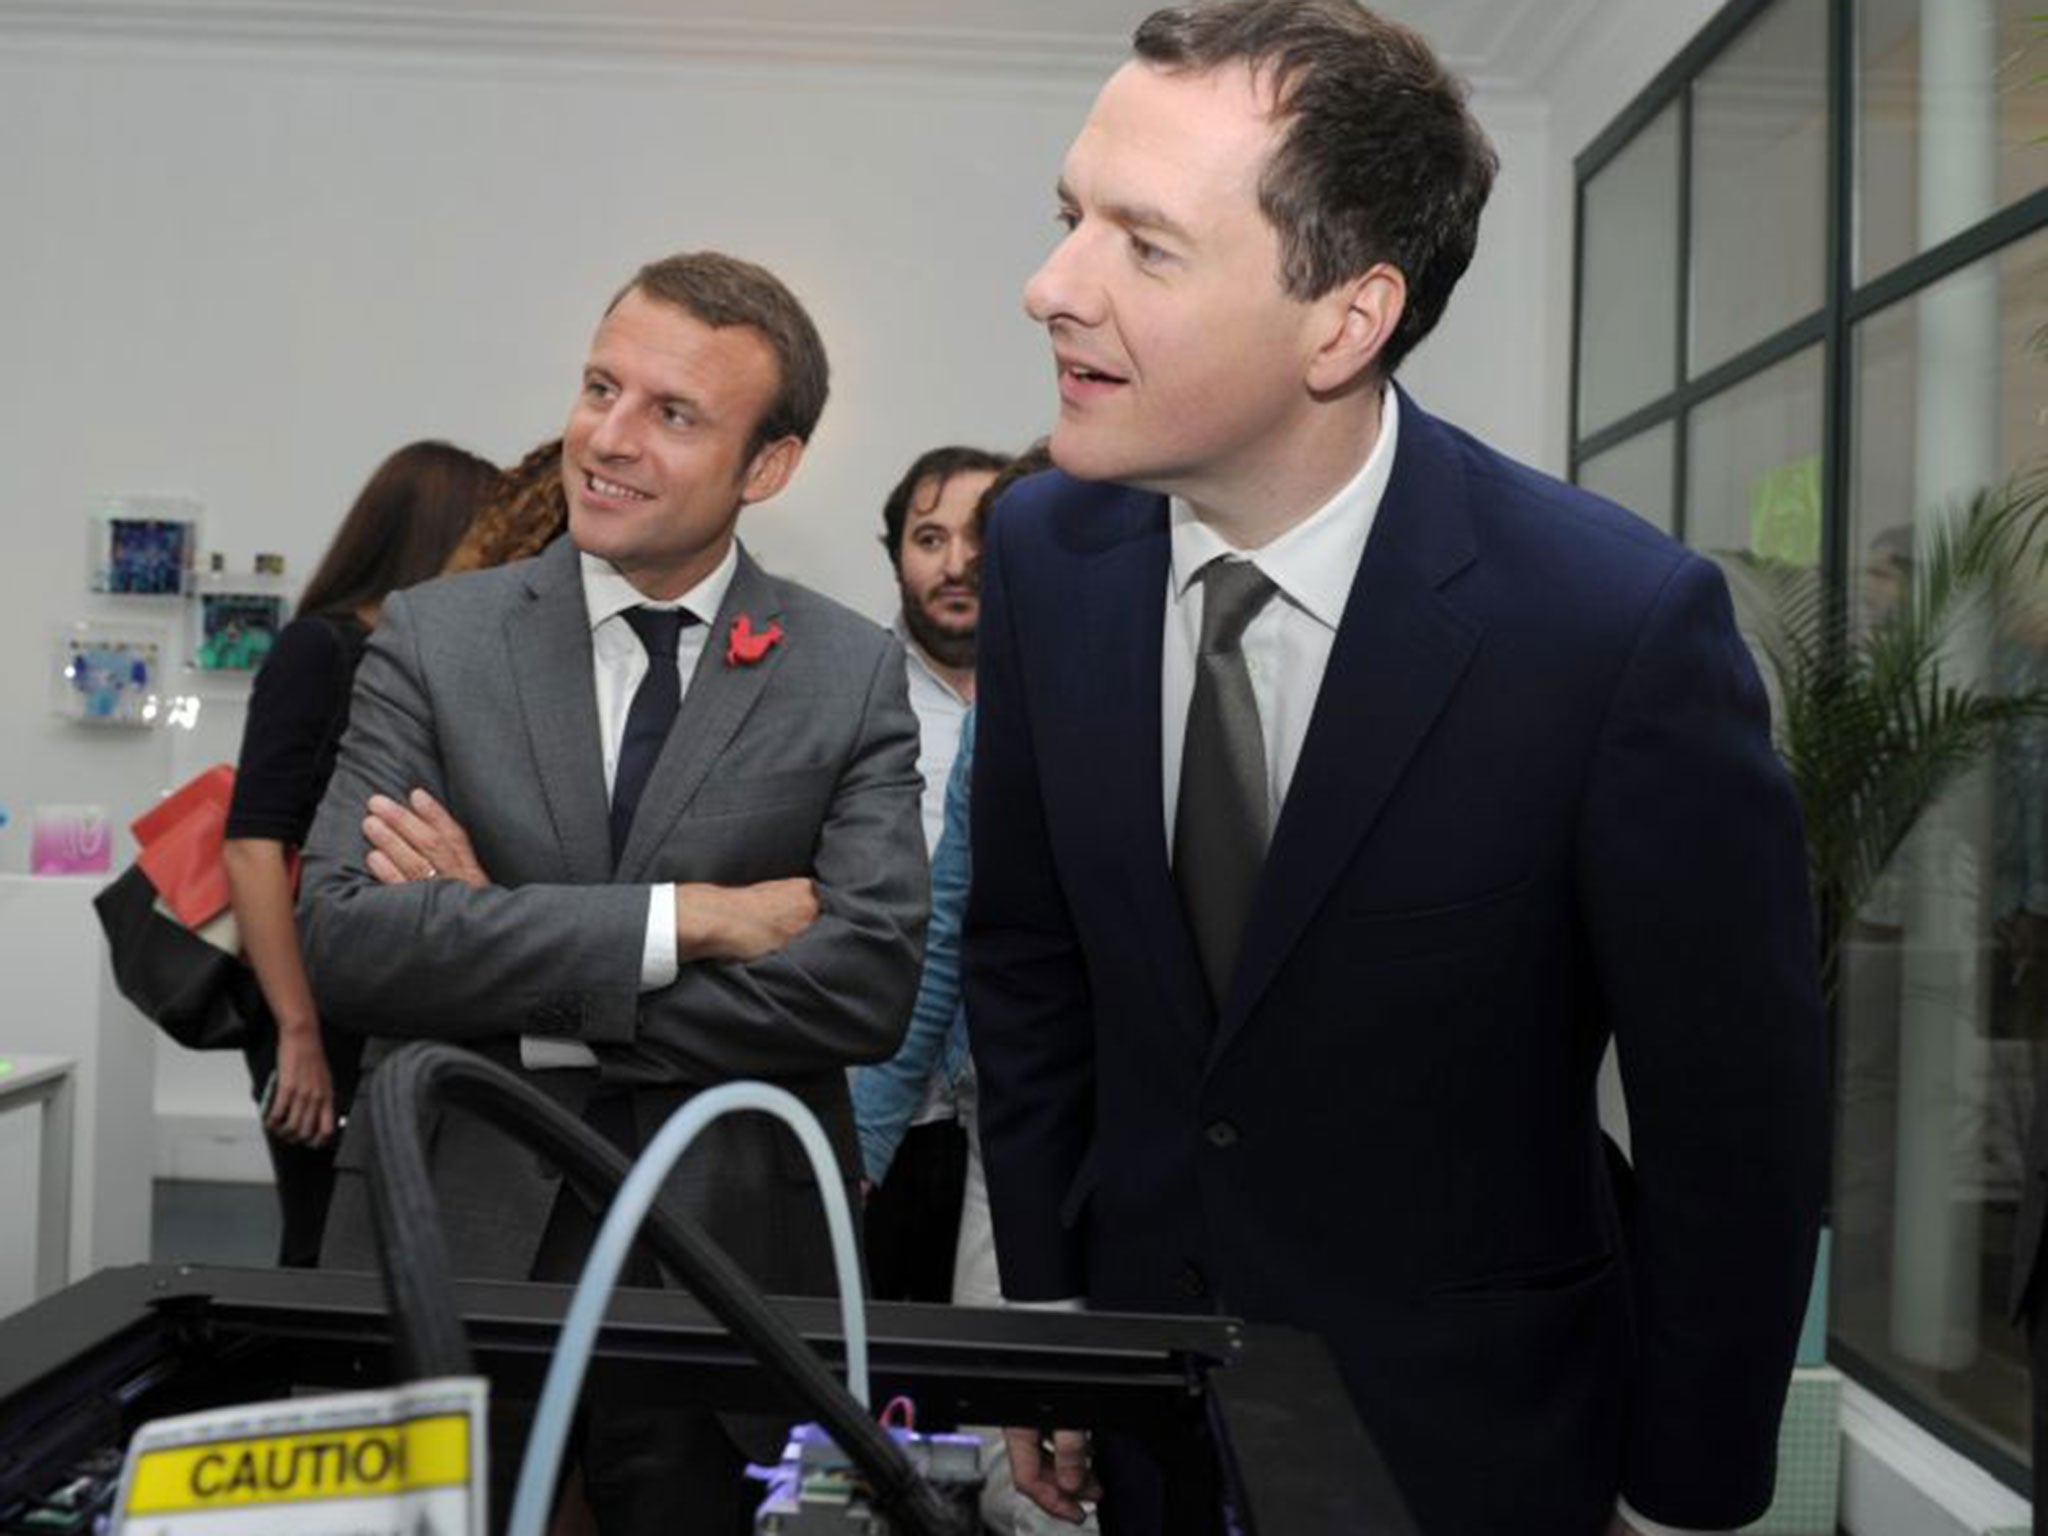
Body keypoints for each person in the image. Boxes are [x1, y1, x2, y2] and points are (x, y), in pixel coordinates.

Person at [963, 5, 1828, 1535]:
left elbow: (1732, 1128)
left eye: (1144, 247)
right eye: (1064, 218)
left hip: (1474, 1449)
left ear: (1346, 319)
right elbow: (1032, 975)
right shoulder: (1044, 553)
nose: (1048, 288)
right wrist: (1049, 1334)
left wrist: (1684, 1498)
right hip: (1143, 1426)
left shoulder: (1612, 630)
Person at [298, 252, 928, 1533]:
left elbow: (865, 983)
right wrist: (681, 924)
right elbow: (349, 940)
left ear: (769, 467)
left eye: (672, 413)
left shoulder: (848, 671)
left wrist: (502, 965)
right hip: (454, 1244)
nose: (606, 438)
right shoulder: (434, 638)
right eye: (600, 387)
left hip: (725, 1274)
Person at [221, 439, 496, 1267]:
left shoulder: (426, 665)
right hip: (313, 1007)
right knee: (323, 1242)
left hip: (381, 999)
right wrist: (297, 1030)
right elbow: (252, 848)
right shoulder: (321, 649)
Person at [855, 444, 1007, 1304]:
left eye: (982, 541)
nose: (957, 565)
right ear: (895, 555)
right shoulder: (844, 696)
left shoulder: (1062, 698)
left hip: (1012, 1105)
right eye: (929, 538)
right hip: (882, 1103)